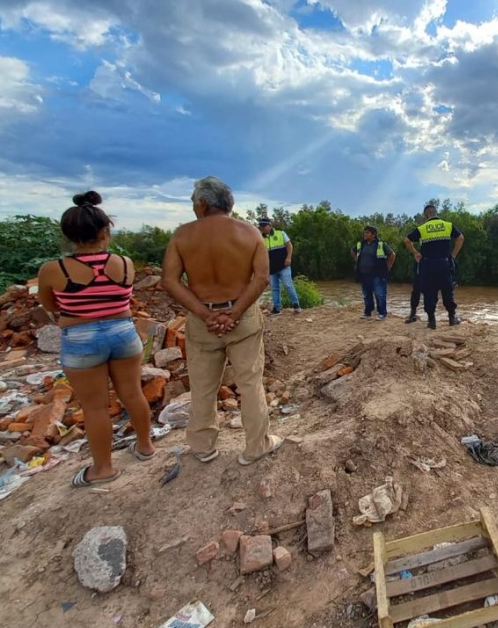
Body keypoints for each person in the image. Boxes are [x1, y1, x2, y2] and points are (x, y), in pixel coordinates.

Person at [37, 191, 155, 487]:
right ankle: (145, 446)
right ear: (106, 230)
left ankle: (103, 469)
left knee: (95, 407)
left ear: (68, 235)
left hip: (80, 338)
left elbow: (50, 305)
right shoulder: (125, 263)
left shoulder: (53, 269)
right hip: (123, 332)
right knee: (133, 394)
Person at [162, 177, 281, 466]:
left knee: (202, 386)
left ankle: (202, 447)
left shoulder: (182, 236)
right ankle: (256, 446)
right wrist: (234, 313)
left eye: (193, 202)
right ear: (228, 203)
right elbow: (262, 278)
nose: (193, 207)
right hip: (242, 319)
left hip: (203, 321)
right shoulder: (250, 232)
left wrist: (205, 314)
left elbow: (170, 281)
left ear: (203, 203)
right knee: (250, 382)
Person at [404, 204, 464, 330]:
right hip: (444, 263)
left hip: (428, 264)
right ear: (436, 213)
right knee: (447, 290)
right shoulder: (447, 225)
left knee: (429, 292)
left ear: (426, 215)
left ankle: (432, 321)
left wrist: (416, 253)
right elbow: (460, 238)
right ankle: (452, 318)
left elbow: (407, 240)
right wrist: (453, 255)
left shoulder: (422, 228)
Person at [351, 225, 396, 320]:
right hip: (364, 273)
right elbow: (352, 250)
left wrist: (388, 267)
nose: (365, 234)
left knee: (380, 294)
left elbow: (392, 254)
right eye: (365, 232)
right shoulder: (361, 244)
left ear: (373, 234)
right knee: (366, 294)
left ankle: (382, 313)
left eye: (367, 232)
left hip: (377, 274)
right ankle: (368, 313)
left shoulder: (380, 244)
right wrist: (357, 260)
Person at [258, 217, 301, 315]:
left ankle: (296, 305)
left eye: (264, 226)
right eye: (261, 226)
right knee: (274, 288)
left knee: (288, 285)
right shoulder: (261, 238)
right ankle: (277, 308)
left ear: (270, 225)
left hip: (283, 265)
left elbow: (289, 246)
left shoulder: (280, 233)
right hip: (271, 268)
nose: (262, 228)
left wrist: (289, 258)